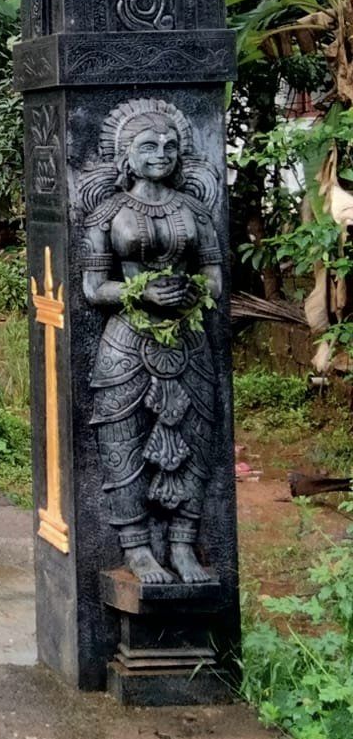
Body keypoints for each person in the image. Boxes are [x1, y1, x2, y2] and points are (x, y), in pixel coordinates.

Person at [78, 99, 223, 588]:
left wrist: (190, 291)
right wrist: (138, 291)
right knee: (124, 446)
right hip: (125, 342)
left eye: (170, 146)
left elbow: (215, 280)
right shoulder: (107, 213)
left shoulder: (195, 210)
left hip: (188, 340)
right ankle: (137, 549)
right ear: (125, 154)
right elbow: (94, 288)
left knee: (196, 442)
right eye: (148, 146)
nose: (161, 153)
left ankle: (183, 544)